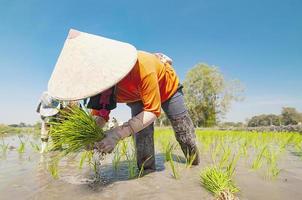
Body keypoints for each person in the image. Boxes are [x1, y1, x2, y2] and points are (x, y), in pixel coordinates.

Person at [48, 29, 200, 172]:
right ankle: (146, 174)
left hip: (167, 89)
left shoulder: (143, 66)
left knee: (183, 130)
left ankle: (194, 165)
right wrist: (92, 136)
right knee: (142, 135)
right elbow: (101, 114)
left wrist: (117, 134)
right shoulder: (101, 85)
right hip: (136, 97)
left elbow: (153, 111)